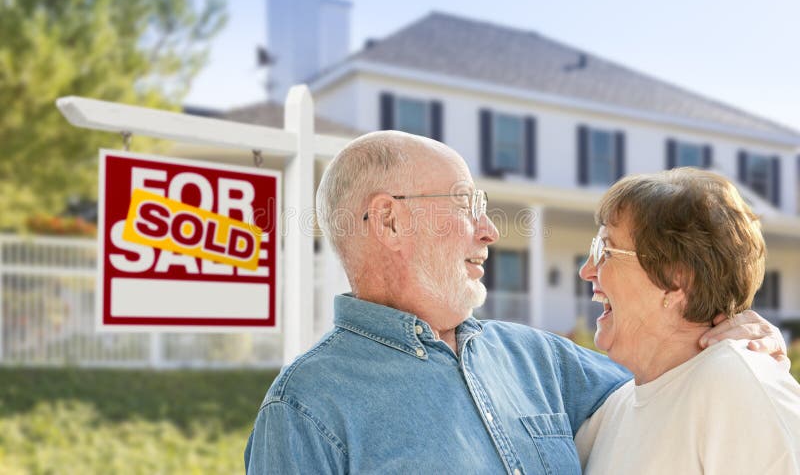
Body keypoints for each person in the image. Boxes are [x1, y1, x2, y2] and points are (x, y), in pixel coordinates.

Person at [245, 132, 787, 474]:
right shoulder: (303, 412)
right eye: (466, 204)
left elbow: (672, 379)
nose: (488, 230)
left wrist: (734, 326)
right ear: (389, 219)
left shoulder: (539, 359)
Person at [574, 167, 800, 474]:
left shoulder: (735, 384)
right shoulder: (613, 410)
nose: (587, 270)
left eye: (605, 250)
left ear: (677, 277)